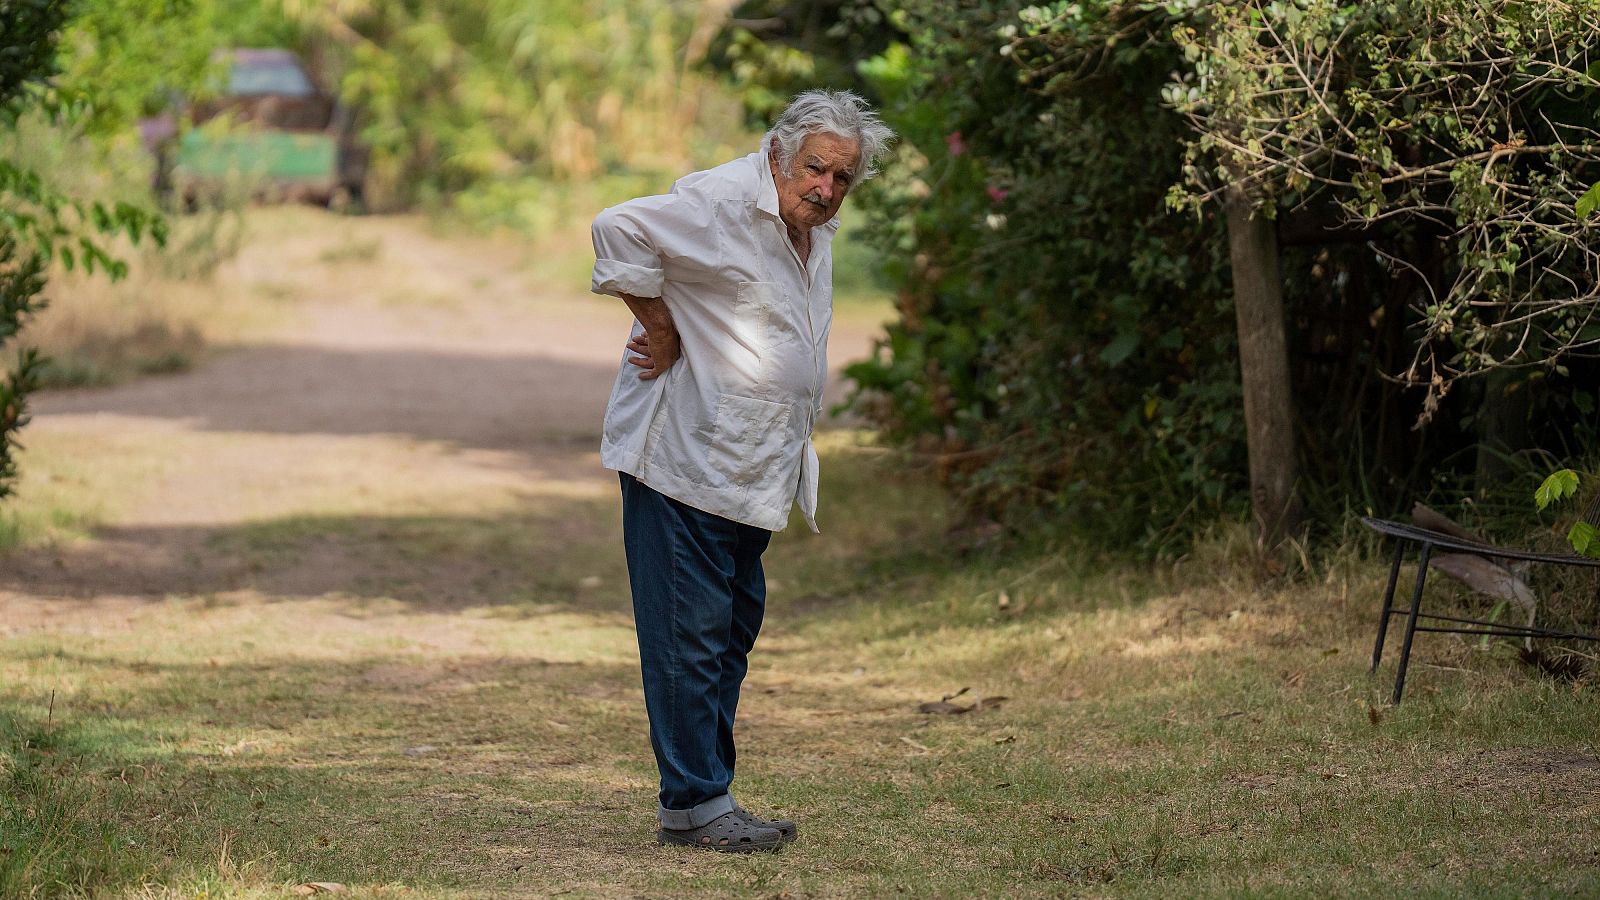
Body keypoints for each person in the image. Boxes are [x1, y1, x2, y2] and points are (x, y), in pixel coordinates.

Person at [589, 90, 893, 852]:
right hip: (685, 457)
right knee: (688, 636)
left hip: (750, 466)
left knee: (730, 631)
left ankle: (701, 799)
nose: (826, 189)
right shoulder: (722, 203)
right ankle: (697, 802)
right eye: (815, 169)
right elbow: (616, 225)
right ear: (779, 153)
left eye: (842, 178)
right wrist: (658, 324)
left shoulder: (807, 229)